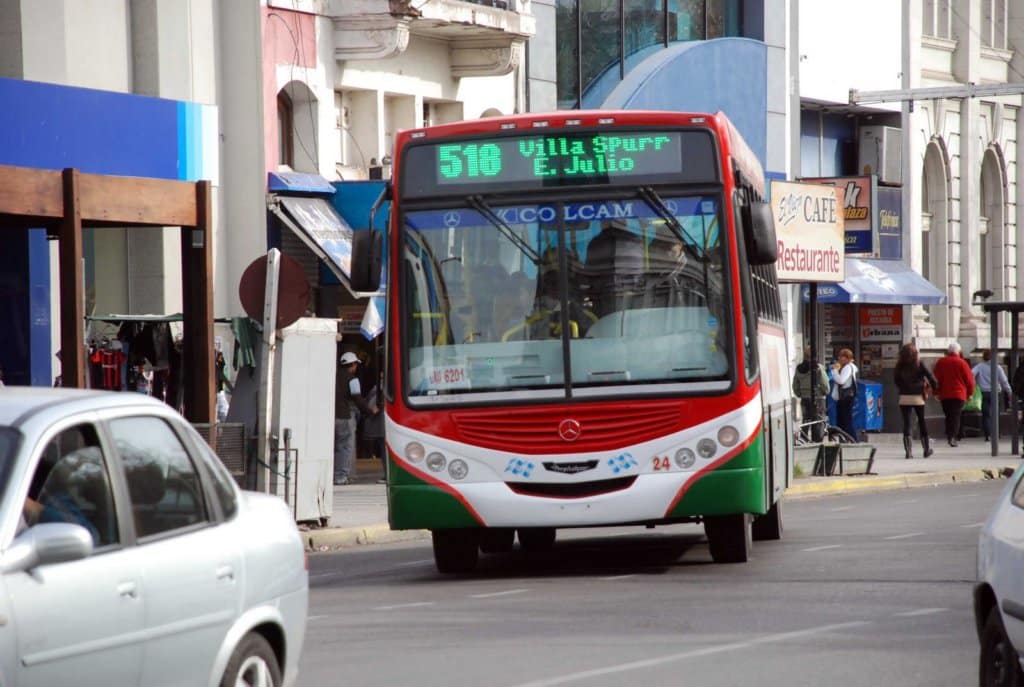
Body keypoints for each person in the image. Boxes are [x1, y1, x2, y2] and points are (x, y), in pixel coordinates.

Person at [334, 351, 377, 485]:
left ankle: (333, 474)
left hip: (331, 417)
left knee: (335, 446)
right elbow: (358, 399)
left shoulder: (332, 375)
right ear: (352, 365)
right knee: (345, 446)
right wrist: (370, 411)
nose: (356, 367)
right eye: (355, 365)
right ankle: (341, 476)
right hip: (345, 416)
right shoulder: (353, 380)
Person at [893, 342, 939, 459]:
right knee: (922, 421)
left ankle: (908, 452)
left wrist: (904, 388)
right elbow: (931, 378)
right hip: (918, 397)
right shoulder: (919, 364)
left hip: (904, 397)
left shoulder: (899, 365)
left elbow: (896, 381)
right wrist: (934, 389)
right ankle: (926, 449)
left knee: (907, 423)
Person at [933, 341, 975, 447]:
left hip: (945, 394)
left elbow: (936, 379)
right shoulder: (962, 363)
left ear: (948, 351)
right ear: (958, 351)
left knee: (948, 415)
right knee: (956, 416)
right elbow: (969, 380)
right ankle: (952, 437)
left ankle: (949, 434)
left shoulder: (941, 362)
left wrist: (936, 392)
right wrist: (970, 393)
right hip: (959, 394)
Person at [972, 349, 1012, 442]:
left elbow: (971, 374)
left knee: (986, 414)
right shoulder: (997, 367)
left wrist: (974, 385)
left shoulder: (979, 366)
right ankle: (996, 433)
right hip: (995, 393)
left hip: (984, 392)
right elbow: (1004, 381)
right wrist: (1009, 392)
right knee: (995, 413)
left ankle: (988, 435)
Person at [792, 346, 829, 441]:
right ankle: (818, 442)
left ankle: (804, 440)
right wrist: (825, 392)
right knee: (819, 421)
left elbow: (795, 385)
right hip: (818, 398)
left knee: (806, 420)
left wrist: (800, 393)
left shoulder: (799, 368)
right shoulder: (818, 368)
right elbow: (825, 384)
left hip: (804, 398)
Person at [830, 348, 858, 440]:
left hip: (845, 398)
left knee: (846, 421)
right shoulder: (848, 367)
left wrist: (834, 371)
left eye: (841, 357)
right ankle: (846, 440)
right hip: (845, 398)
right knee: (842, 421)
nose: (839, 358)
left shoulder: (847, 367)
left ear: (847, 358)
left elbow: (841, 380)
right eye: (839, 356)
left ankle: (854, 440)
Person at [364, 370, 386, 484]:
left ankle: (387, 475)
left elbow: (374, 403)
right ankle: (387, 474)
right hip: (381, 422)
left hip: (381, 422)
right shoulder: (380, 386)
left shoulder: (381, 387)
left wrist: (371, 411)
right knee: (384, 448)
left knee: (384, 449)